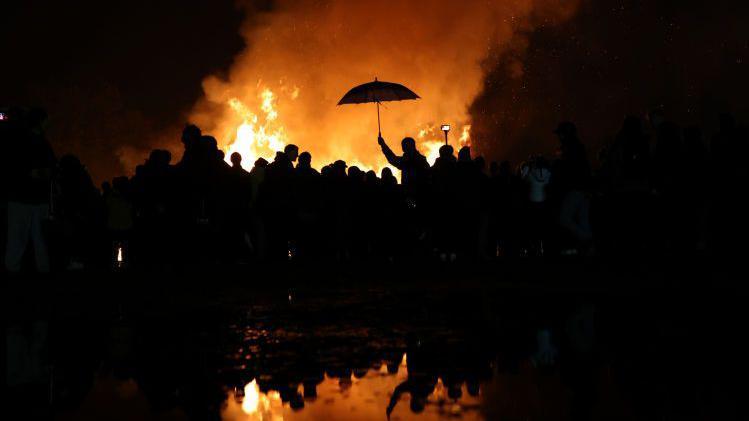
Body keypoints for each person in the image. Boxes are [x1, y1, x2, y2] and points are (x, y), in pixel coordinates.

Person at [5, 108, 55, 273]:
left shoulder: (28, 141)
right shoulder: (30, 142)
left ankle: (17, 268)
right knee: (28, 238)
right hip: (26, 199)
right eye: (46, 120)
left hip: (29, 199)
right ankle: (25, 268)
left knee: (23, 238)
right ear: (40, 122)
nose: (49, 124)